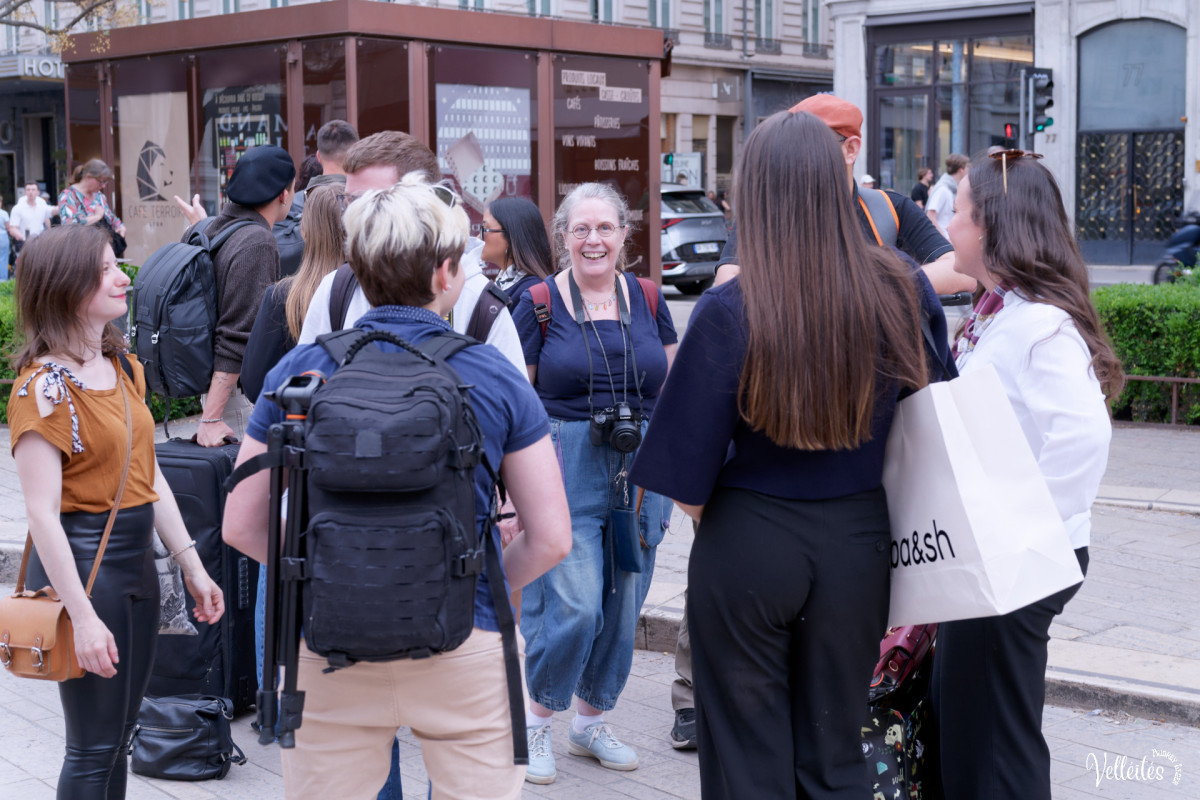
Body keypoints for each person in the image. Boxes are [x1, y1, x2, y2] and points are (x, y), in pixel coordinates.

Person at [222, 175, 572, 800]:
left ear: (356, 267)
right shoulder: (489, 371)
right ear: (444, 272)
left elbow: (241, 526)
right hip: (464, 641)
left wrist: (327, 570)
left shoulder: (301, 369)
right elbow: (549, 538)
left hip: (327, 646)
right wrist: (465, 579)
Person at [629, 109, 936, 800]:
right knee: (836, 750)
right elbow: (931, 419)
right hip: (860, 538)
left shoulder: (731, 307)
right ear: (840, 184)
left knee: (744, 751)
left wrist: (738, 530)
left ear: (757, 196)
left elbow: (683, 474)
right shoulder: (903, 288)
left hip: (749, 536)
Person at [8, 225, 225, 800]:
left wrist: (193, 567)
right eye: (104, 269)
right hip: (84, 571)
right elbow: (43, 516)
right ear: (66, 285)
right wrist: (80, 617)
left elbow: (148, 476)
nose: (121, 277)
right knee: (92, 747)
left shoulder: (123, 366)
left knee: (121, 738)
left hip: (136, 570)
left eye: (116, 264)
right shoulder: (43, 389)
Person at [933, 149, 1122, 800]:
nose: (948, 225)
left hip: (1014, 564)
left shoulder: (1037, 322)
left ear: (990, 224)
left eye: (957, 211)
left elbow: (1083, 435)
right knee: (971, 724)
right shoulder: (1001, 311)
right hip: (993, 558)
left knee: (994, 743)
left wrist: (1015, 531)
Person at [510, 182, 678, 784]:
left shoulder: (649, 296)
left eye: (605, 228)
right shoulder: (536, 304)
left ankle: (589, 722)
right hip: (563, 461)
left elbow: (675, 384)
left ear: (625, 235)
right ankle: (536, 721)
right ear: (562, 238)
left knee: (625, 595)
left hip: (642, 466)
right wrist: (512, 491)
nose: (593, 240)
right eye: (580, 229)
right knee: (577, 604)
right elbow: (516, 400)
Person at [296, 131, 525, 375]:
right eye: (349, 201)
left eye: (375, 201)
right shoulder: (337, 289)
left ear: (427, 204)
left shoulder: (480, 303)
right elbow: (300, 390)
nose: (353, 215)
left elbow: (514, 406)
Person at [714, 94, 973, 296]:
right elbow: (728, 279)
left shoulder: (890, 208)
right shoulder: (767, 211)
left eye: (810, 146)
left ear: (851, 149)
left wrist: (883, 287)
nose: (794, 159)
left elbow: (963, 271)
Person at [193, 145, 296, 447]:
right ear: (283, 194)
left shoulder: (213, 228)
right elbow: (237, 337)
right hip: (234, 398)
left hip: (214, 387)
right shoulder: (257, 242)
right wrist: (211, 419)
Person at [241, 184, 346, 403]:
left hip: (299, 423)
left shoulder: (282, 298)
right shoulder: (373, 293)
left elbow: (254, 385)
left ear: (304, 231)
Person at [482, 197, 554, 314]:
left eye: (485, 229)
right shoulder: (504, 282)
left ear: (511, 235)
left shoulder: (530, 291)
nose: (478, 237)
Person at [58, 160, 127, 244]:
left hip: (102, 249)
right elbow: (68, 225)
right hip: (79, 251)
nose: (103, 186)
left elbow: (111, 218)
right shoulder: (68, 196)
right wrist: (97, 217)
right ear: (88, 177)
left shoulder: (99, 196)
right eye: (101, 181)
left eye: (105, 182)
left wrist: (120, 227)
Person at [926, 152, 969, 236]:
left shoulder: (950, 188)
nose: (968, 170)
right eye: (967, 167)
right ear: (961, 169)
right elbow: (930, 215)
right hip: (943, 241)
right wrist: (944, 238)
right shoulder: (943, 189)